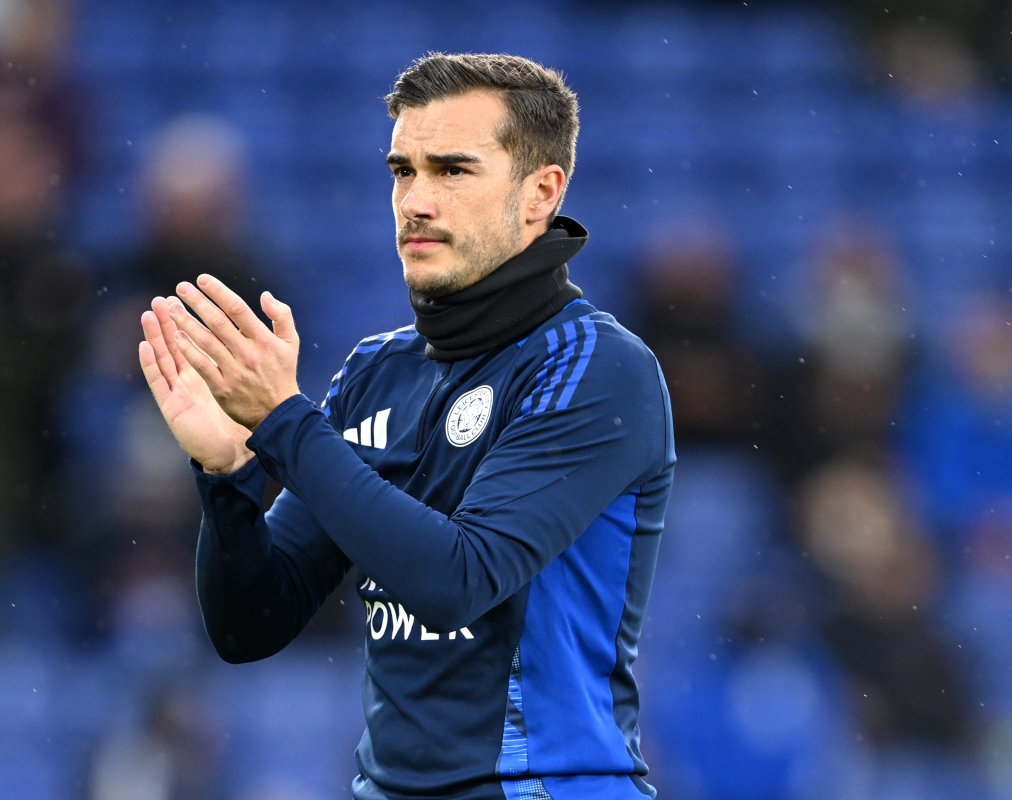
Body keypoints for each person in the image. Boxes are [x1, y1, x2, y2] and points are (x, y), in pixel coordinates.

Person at [137, 54, 675, 800]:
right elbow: (249, 626)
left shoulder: (599, 369)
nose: (415, 201)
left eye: (452, 171)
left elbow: (458, 582)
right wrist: (230, 475)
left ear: (539, 194)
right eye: (402, 171)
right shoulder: (375, 372)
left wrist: (285, 425)